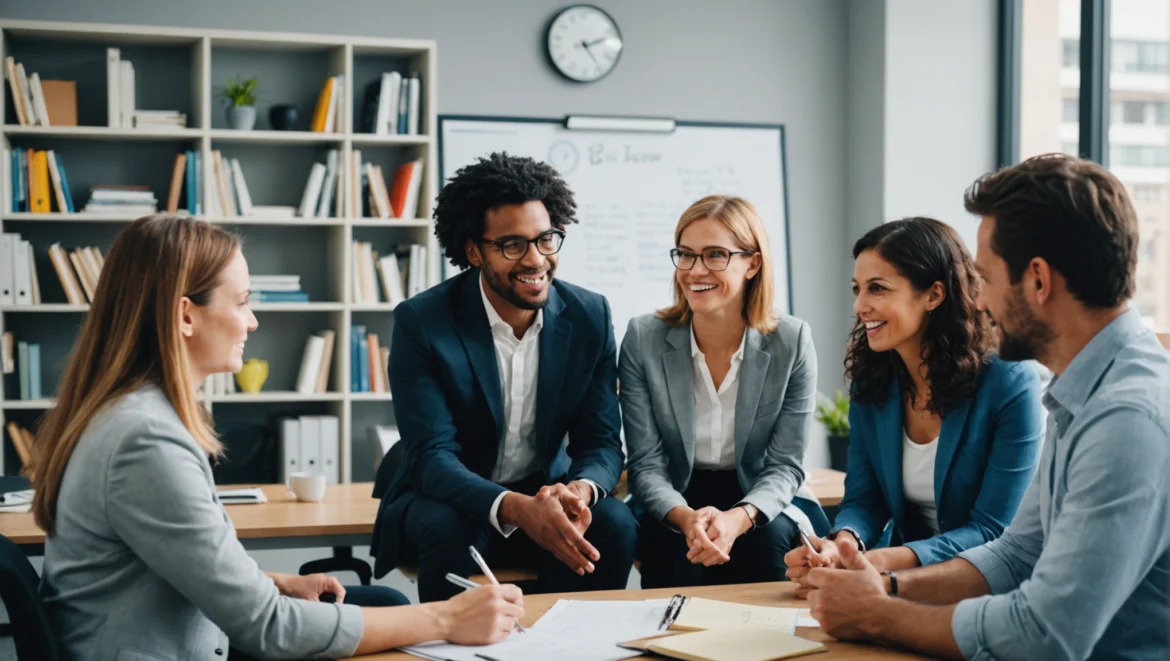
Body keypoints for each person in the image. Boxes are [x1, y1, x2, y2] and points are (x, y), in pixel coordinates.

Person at [32, 215, 524, 661]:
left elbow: (158, 566)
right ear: (185, 315)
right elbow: (268, 627)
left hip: (167, 633)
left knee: (388, 604)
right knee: (410, 626)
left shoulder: (128, 413)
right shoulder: (146, 440)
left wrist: (270, 583)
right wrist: (448, 617)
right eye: (242, 302)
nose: (252, 320)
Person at [801, 154, 1170, 660]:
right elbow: (1017, 555)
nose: (976, 301)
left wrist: (877, 613)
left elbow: (1046, 632)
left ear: (1038, 281)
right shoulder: (1081, 390)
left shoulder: (1126, 418)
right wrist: (883, 587)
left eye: (985, 279)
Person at [370, 152, 637, 603]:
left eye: (546, 239)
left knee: (613, 522)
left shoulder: (590, 315)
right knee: (449, 526)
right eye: (512, 245)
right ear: (474, 251)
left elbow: (602, 443)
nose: (536, 260)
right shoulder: (422, 322)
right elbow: (433, 458)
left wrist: (578, 492)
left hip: (543, 490)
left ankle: (573, 646)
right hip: (448, 498)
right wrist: (517, 508)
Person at [785, 217, 1044, 584]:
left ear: (934, 295)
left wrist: (880, 561)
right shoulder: (872, 380)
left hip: (992, 586)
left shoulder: (1008, 381)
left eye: (877, 289)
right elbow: (865, 500)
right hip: (901, 580)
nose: (860, 306)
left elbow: (993, 531)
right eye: (857, 288)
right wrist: (842, 545)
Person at [620, 194, 824, 588]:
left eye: (715, 255)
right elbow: (645, 464)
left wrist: (738, 518)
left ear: (753, 263)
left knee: (769, 545)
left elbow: (785, 465)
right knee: (672, 551)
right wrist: (686, 517)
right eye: (686, 254)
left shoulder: (792, 340)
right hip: (675, 491)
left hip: (759, 492)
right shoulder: (643, 338)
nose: (696, 270)